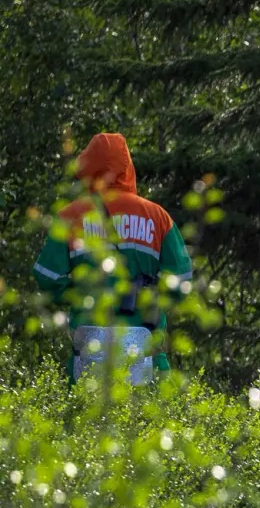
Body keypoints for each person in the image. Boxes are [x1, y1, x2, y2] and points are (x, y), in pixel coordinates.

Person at [33, 133, 190, 384]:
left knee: (82, 419)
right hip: (147, 348)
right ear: (128, 166)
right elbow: (181, 282)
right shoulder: (158, 217)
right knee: (154, 421)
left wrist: (80, 294)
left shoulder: (70, 216)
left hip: (88, 348)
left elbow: (46, 276)